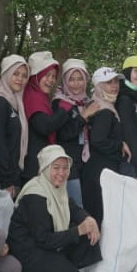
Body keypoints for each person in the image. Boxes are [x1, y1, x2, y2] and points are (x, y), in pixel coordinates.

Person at [8, 145, 103, 272]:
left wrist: (88, 219)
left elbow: (73, 209)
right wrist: (78, 230)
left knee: (89, 233)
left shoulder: (57, 188)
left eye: (65, 168)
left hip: (48, 248)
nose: (61, 173)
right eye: (56, 168)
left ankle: (62, 271)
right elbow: (43, 239)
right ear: (45, 169)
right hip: (30, 253)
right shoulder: (36, 195)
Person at [80, 68, 129, 223]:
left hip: (98, 171)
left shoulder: (100, 105)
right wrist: (119, 146)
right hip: (99, 173)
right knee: (101, 219)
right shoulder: (104, 111)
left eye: (116, 82)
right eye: (109, 83)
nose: (114, 86)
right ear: (99, 85)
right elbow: (98, 140)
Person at [22, 51, 72, 183]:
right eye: (46, 75)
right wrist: (64, 110)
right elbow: (44, 126)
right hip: (34, 166)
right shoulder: (33, 97)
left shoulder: (40, 96)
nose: (51, 80)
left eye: (53, 76)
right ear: (36, 76)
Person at [0, 55, 29, 196]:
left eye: (24, 76)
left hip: (12, 173)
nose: (20, 79)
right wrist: (6, 179)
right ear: (6, 74)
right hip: (1, 177)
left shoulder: (16, 102)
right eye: (15, 74)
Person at [53, 59, 90, 208]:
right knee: (75, 206)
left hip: (85, 162)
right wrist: (84, 117)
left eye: (80, 79)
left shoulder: (88, 102)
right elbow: (63, 134)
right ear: (65, 81)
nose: (76, 83)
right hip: (68, 162)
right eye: (72, 79)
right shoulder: (60, 103)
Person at [116, 55, 137, 180]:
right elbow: (130, 134)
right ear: (127, 72)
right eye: (136, 71)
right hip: (131, 163)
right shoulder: (124, 99)